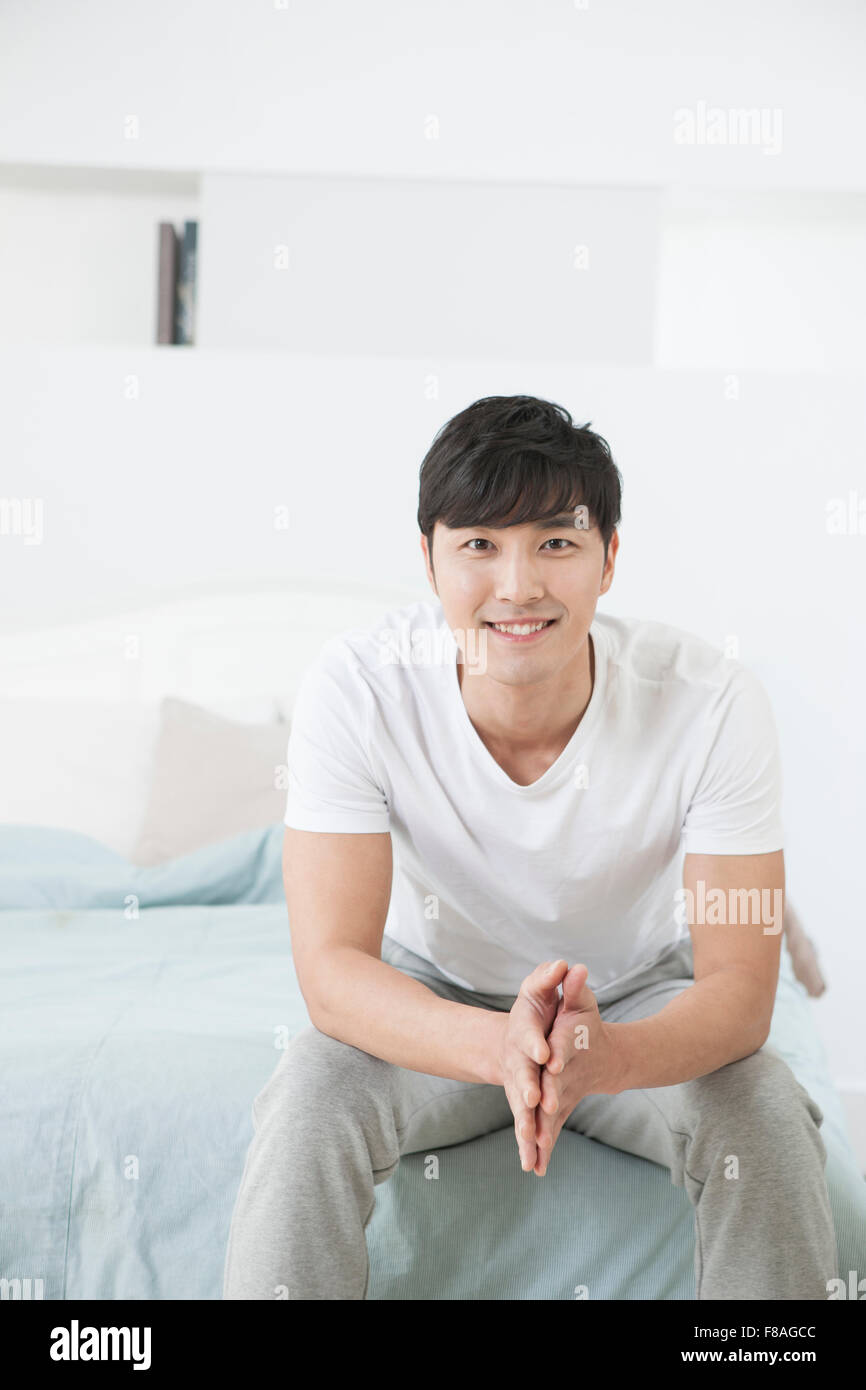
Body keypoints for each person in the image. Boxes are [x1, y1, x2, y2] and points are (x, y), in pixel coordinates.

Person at [223, 394, 838, 1301]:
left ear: (609, 560)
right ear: (428, 559)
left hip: (637, 995)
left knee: (768, 1114)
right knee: (311, 1096)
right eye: (478, 544)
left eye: (556, 541)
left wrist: (607, 1058)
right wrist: (500, 1047)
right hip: (432, 996)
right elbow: (332, 971)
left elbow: (740, 997)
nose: (517, 586)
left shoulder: (710, 701)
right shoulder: (357, 688)